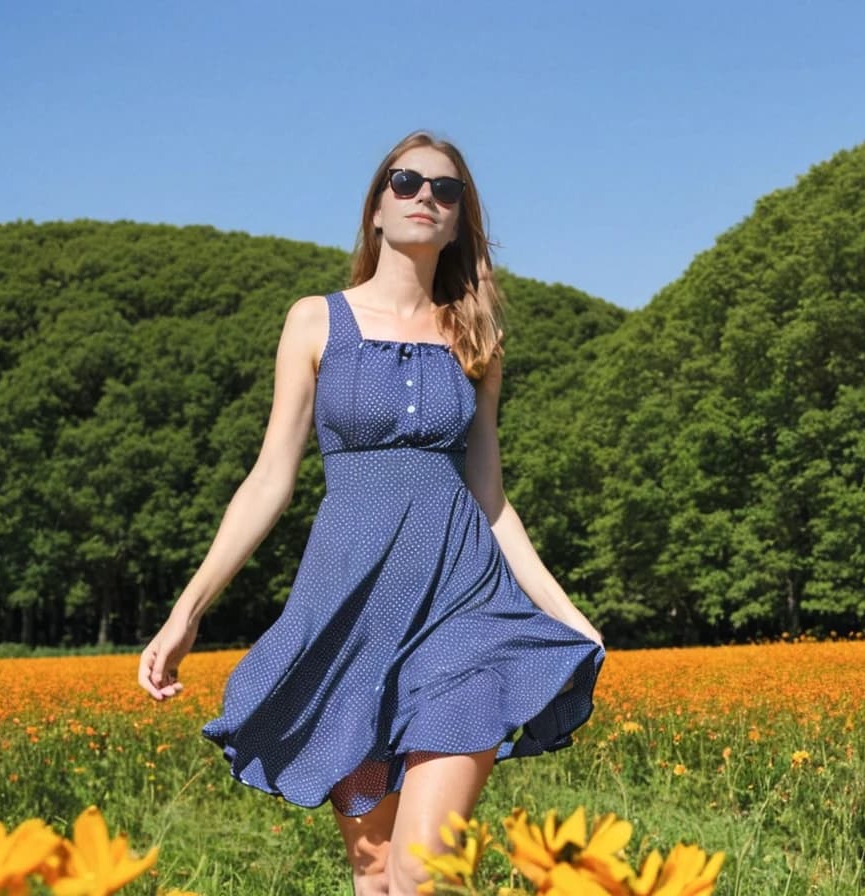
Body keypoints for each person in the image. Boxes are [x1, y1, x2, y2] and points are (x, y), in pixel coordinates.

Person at [137, 131, 605, 896]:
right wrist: (188, 611)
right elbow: (268, 481)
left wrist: (567, 613)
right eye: (407, 181)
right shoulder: (315, 322)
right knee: (378, 872)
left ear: (458, 220)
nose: (426, 196)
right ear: (378, 208)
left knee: (427, 874)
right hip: (350, 624)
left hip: (466, 615)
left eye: (446, 190)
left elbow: (491, 497)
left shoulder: (475, 336)